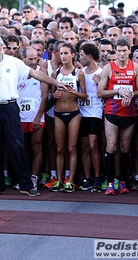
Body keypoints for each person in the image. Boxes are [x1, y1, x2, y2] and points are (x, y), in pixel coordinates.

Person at [0, 33, 69, 197]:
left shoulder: (14, 63)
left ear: (1, 45)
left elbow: (36, 74)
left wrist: (56, 83)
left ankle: (26, 184)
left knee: (17, 145)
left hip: (10, 106)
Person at [97, 37, 138, 195]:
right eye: (119, 51)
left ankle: (122, 181)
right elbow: (99, 92)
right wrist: (118, 91)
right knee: (111, 146)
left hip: (129, 112)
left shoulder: (135, 67)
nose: (122, 54)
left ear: (129, 51)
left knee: (125, 148)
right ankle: (110, 182)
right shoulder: (109, 68)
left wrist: (130, 94)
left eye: (125, 51)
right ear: (115, 52)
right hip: (112, 112)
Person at [51, 43, 87, 192]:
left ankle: (70, 180)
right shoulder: (55, 73)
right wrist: (54, 95)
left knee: (71, 148)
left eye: (66, 53)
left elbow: (84, 96)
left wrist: (74, 92)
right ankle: (59, 180)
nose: (63, 56)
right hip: (59, 113)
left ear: (73, 54)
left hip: (73, 112)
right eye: (61, 53)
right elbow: (52, 95)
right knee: (59, 148)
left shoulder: (78, 73)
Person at [18, 47, 49, 191]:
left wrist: (38, 117)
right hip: (20, 118)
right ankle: (24, 177)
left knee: (36, 147)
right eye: (30, 59)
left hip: (36, 117)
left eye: (35, 58)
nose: (33, 62)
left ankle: (34, 177)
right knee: (21, 149)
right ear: (23, 58)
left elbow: (45, 96)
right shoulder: (17, 72)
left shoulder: (42, 73)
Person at [78, 42, 103, 191]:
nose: (80, 58)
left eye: (82, 55)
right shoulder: (80, 72)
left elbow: (108, 92)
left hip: (95, 112)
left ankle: (97, 177)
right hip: (81, 112)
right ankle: (87, 177)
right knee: (84, 146)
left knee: (94, 145)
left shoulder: (101, 71)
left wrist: (100, 84)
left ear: (89, 55)